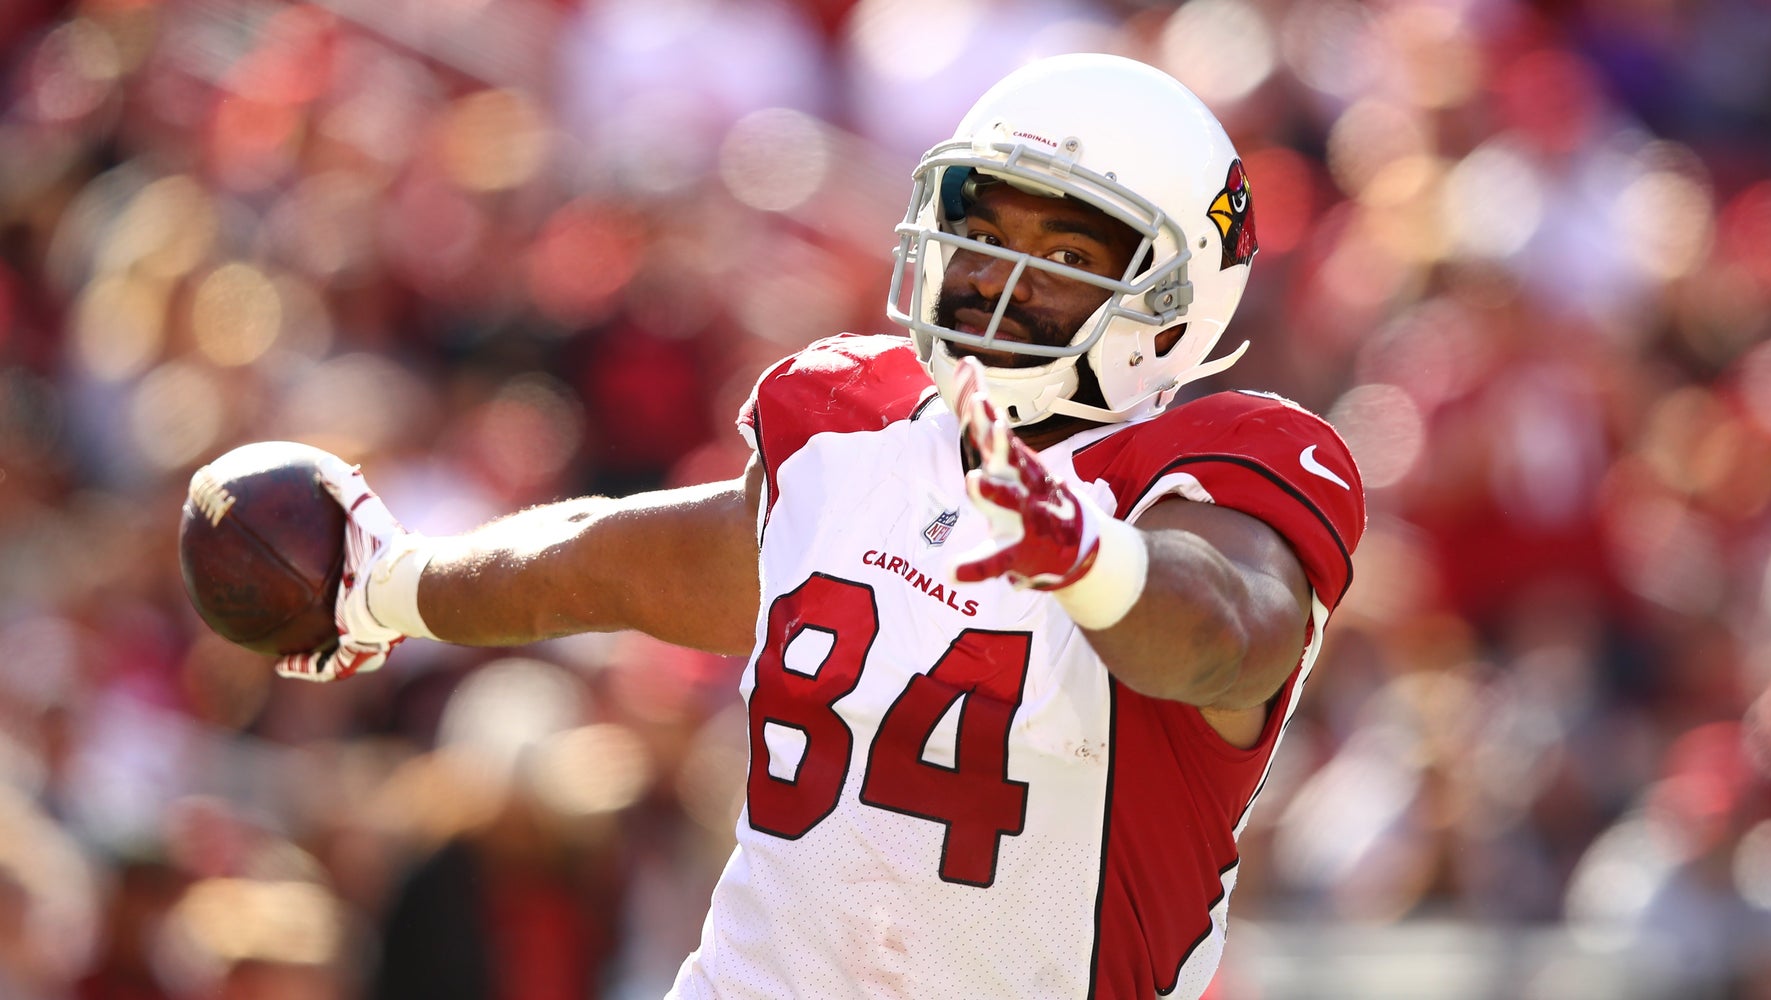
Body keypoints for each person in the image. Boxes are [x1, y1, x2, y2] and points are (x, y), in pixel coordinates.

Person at [261, 54, 1366, 999]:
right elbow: (611, 564)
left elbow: (1230, 635)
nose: (1000, 277)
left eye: (1069, 257)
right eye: (983, 231)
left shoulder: (1211, 474)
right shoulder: (853, 432)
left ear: (1172, 299)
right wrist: (388, 583)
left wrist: (1089, 555)